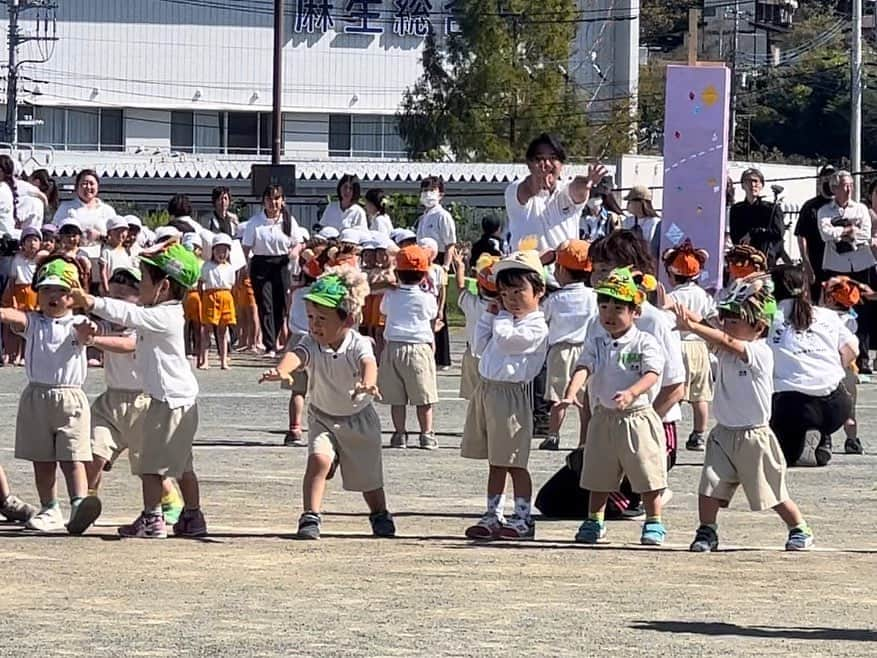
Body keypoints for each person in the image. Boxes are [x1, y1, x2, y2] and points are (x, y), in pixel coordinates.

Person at [73, 238, 206, 539]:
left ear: (165, 287)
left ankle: (152, 519)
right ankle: (193, 517)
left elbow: (129, 316)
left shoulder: (164, 315)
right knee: (183, 465)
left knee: (151, 467)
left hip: (167, 402)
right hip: (180, 400)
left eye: (144, 280)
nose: (140, 285)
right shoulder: (165, 312)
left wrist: (91, 301)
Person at [671, 273, 814, 552]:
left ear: (759, 327)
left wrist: (694, 326)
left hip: (755, 436)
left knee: (771, 490)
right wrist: (679, 311)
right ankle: (707, 531)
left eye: (736, 320)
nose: (727, 324)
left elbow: (725, 340)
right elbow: (711, 327)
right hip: (724, 433)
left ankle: (799, 527)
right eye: (727, 319)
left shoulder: (759, 352)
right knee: (710, 486)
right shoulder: (724, 347)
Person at [259, 266, 396, 540]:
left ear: (347, 319)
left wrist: (368, 383)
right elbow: (296, 355)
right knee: (318, 462)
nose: (314, 325)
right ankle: (310, 516)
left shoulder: (359, 343)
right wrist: (282, 370)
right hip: (322, 417)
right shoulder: (311, 343)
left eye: (322, 318)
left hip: (359, 421)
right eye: (311, 317)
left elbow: (368, 363)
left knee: (369, 481)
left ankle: (379, 513)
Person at [557, 267, 668, 546]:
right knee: (598, 473)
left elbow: (652, 373)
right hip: (603, 417)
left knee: (646, 472)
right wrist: (571, 393)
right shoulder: (596, 341)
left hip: (636, 417)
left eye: (618, 308)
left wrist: (631, 393)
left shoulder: (645, 341)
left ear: (635, 312)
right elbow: (584, 366)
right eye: (603, 306)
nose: (609, 314)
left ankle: (654, 522)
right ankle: (595, 521)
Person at [0, 257, 102, 534]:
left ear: (73, 296)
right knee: (42, 460)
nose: (53, 296)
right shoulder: (34, 322)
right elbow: (11, 315)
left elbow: (89, 334)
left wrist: (89, 333)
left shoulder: (79, 322)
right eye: (46, 290)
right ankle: (50, 508)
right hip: (37, 397)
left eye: (61, 291)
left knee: (73, 457)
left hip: (70, 399)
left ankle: (80, 505)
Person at [79, 267, 184, 526]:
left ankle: (170, 500)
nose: (115, 307)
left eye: (122, 300)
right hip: (110, 402)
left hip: (143, 404)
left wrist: (93, 340)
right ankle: (85, 502)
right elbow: (84, 328)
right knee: (94, 454)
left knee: (148, 466)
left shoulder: (146, 323)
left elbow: (128, 345)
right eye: (111, 299)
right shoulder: (103, 326)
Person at [461, 246, 548, 540]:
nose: (511, 299)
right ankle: (492, 514)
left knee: (514, 460)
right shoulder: (504, 319)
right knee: (495, 461)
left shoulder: (535, 325)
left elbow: (510, 342)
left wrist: (499, 319)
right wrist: (487, 315)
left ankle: (523, 517)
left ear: (538, 290)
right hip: (487, 390)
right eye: (505, 293)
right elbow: (479, 345)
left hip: (512, 395)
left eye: (518, 292)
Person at [768, 264, 856, 467]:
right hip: (836, 403)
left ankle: (805, 435)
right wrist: (833, 367)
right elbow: (853, 350)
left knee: (786, 457)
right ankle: (822, 435)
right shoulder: (826, 315)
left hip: (792, 405)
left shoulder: (770, 316)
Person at [377, 245, 439, 450]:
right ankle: (426, 434)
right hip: (418, 348)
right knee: (424, 396)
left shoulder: (391, 295)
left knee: (397, 397)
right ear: (424, 275)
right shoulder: (427, 297)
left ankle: (399, 434)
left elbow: (383, 310)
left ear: (397, 272)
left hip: (393, 346)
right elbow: (432, 314)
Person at [504, 132, 608, 251]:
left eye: (553, 158)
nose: (547, 164)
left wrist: (588, 181)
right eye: (539, 159)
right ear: (529, 164)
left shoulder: (564, 191)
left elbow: (577, 187)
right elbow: (526, 191)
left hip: (563, 268)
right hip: (528, 267)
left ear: (561, 164)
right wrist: (537, 182)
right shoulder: (514, 189)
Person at [541, 239, 597, 451]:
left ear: (562, 270)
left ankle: (553, 435)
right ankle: (584, 440)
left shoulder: (555, 299)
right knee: (585, 399)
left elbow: (543, 318)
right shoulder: (593, 297)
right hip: (586, 350)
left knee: (558, 396)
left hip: (560, 350)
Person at [817, 170, 875, 373]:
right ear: (834, 188)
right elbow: (825, 234)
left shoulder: (860, 209)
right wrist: (848, 230)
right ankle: (837, 355)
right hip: (836, 265)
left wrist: (842, 234)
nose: (849, 189)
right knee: (835, 311)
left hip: (861, 264)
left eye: (851, 184)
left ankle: (864, 358)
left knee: (863, 311)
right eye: (844, 185)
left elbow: (865, 234)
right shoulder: (825, 210)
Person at [662, 240, 716, 451]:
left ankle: (669, 430)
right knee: (700, 395)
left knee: (675, 390)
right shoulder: (703, 295)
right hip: (699, 345)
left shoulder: (672, 297)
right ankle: (699, 435)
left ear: (673, 275)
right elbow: (712, 317)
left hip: (678, 345)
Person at [243, 185, 299, 357]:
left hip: (281, 263)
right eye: (269, 199)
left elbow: (297, 242)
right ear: (263, 201)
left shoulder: (289, 221)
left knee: (280, 305)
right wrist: (246, 266)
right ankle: (269, 346)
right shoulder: (254, 222)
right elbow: (246, 247)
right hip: (261, 264)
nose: (273, 203)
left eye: (276, 198)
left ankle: (275, 341)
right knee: (265, 304)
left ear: (282, 201)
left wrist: (294, 252)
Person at [821, 276, 865, 455]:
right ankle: (852, 441)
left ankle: (825, 440)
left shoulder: (823, 317)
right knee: (850, 411)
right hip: (848, 370)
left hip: (828, 367)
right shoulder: (851, 319)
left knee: (824, 406)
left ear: (831, 298)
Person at [453, 252, 499, 401]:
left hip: (473, 354)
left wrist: (460, 267)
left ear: (479, 285)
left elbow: (460, 287)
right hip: (497, 356)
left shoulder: (471, 303)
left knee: (474, 398)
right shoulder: (506, 309)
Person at [728, 168, 785, 266]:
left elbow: (778, 233)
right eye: (748, 181)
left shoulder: (771, 209)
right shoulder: (736, 209)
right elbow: (735, 237)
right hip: (743, 260)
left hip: (767, 259)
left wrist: (753, 233)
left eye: (755, 181)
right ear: (742, 185)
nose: (752, 185)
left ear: (762, 185)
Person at [795, 164, 836, 302]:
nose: (829, 182)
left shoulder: (842, 205)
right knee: (814, 302)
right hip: (815, 263)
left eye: (833, 178)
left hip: (837, 264)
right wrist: (806, 263)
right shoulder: (810, 206)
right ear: (820, 181)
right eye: (826, 178)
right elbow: (801, 236)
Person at [1, 227, 40, 365]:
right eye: (28, 240)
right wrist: (12, 299)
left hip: (34, 294)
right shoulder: (17, 259)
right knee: (16, 326)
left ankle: (26, 355)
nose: (32, 244)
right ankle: (14, 354)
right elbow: (12, 281)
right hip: (19, 293)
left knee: (31, 325)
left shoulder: (40, 259)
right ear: (22, 244)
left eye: (35, 240)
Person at [199, 233, 237, 370]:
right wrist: (202, 297)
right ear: (213, 251)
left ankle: (223, 360)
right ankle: (205, 360)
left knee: (223, 330)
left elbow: (232, 285)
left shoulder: (230, 268)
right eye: (219, 250)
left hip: (226, 296)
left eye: (225, 251)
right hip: (210, 296)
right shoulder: (206, 266)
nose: (222, 254)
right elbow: (201, 283)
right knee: (207, 329)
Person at [52, 169, 116, 238]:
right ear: (77, 187)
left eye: (91, 184)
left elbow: (115, 238)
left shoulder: (107, 210)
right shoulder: (66, 208)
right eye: (84, 184)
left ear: (97, 187)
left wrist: (99, 236)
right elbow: (54, 232)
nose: (88, 187)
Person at [418, 237, 450, 370]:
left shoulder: (438, 270)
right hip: (420, 304)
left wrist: (440, 308)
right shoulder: (417, 268)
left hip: (432, 303)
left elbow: (442, 290)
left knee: (431, 334)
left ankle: (431, 359)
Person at [622, 185, 662, 262]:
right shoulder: (627, 221)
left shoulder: (655, 222)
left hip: (648, 262)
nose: (628, 205)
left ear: (640, 203)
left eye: (630, 201)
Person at [99, 217, 132, 295]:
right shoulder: (106, 251)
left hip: (126, 290)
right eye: (118, 231)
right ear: (109, 233)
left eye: (124, 231)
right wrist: (106, 290)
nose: (121, 234)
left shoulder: (126, 251)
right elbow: (103, 272)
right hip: (112, 289)